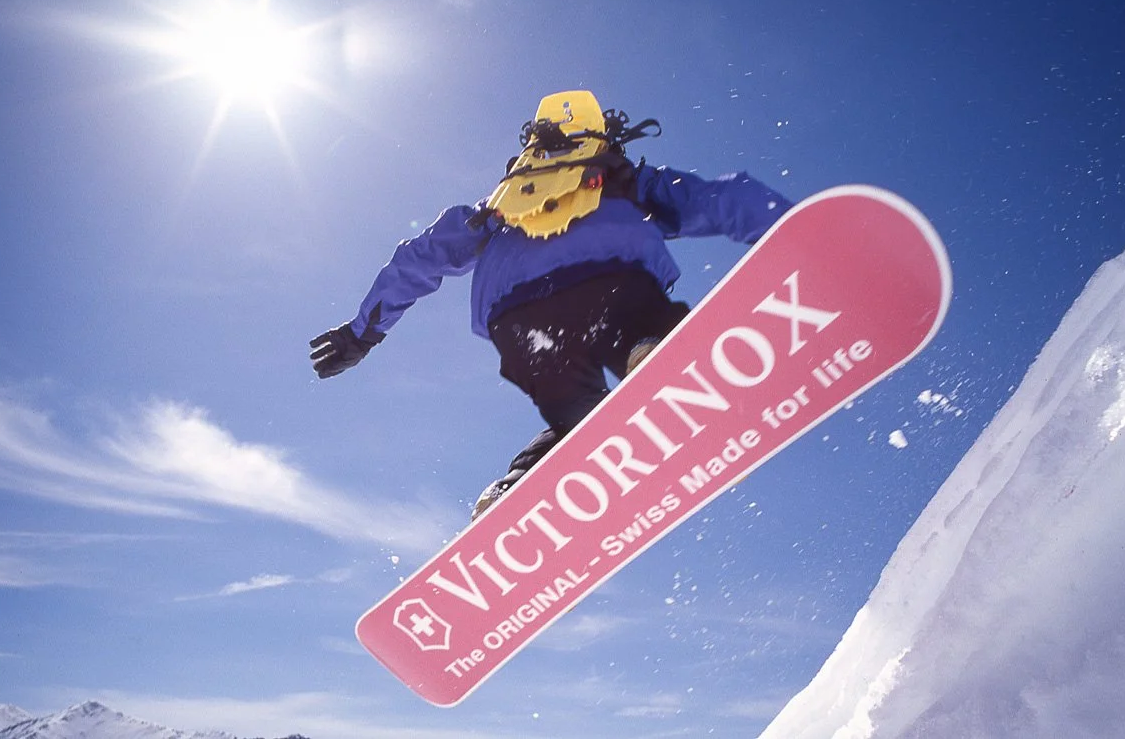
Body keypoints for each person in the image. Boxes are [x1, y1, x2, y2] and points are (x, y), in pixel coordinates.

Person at [309, 90, 793, 521]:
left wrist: (361, 334)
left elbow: (421, 255)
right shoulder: (622, 177)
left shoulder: (500, 204)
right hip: (612, 286)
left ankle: (516, 487)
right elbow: (718, 199)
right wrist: (795, 231)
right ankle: (651, 349)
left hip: (516, 320)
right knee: (639, 325)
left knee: (581, 426)